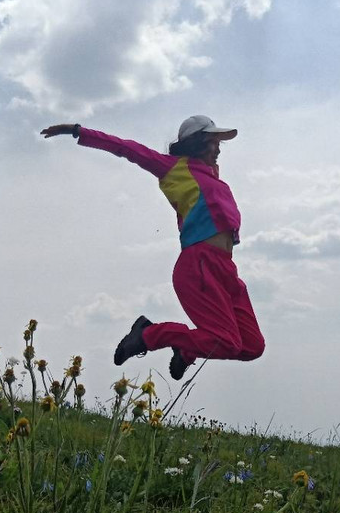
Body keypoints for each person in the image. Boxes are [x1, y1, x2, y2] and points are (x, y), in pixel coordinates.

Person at [40, 116, 265, 380]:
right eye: (213, 142)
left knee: (252, 346)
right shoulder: (174, 169)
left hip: (226, 268)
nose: (218, 149)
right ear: (197, 143)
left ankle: (185, 350)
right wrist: (78, 131)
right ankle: (148, 335)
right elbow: (128, 149)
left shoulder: (215, 180)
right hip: (199, 264)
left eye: (219, 144)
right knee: (226, 341)